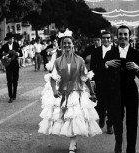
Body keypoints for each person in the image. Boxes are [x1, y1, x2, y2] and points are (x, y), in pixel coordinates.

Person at [38, 36, 102, 152]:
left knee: (74, 118)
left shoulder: (80, 60)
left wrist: (92, 92)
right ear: (62, 45)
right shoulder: (58, 61)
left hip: (76, 92)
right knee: (65, 118)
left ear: (73, 45)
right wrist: (54, 91)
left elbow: (85, 77)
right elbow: (52, 78)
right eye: (64, 43)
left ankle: (72, 145)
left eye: (69, 43)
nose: (67, 45)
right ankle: (73, 142)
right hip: (62, 92)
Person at [104, 25, 139, 153]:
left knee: (132, 122)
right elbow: (102, 74)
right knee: (117, 120)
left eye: (125, 34)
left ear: (129, 37)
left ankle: (131, 149)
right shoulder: (110, 53)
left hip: (131, 91)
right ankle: (118, 143)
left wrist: (138, 67)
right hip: (115, 91)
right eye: (120, 34)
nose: (123, 36)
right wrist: (106, 64)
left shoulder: (136, 54)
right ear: (117, 36)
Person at [90, 31, 114, 135]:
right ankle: (102, 117)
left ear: (111, 39)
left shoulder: (116, 51)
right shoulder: (96, 51)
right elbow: (92, 67)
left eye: (108, 38)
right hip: (100, 82)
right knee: (100, 104)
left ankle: (110, 125)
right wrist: (104, 65)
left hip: (113, 82)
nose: (106, 40)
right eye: (104, 38)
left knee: (112, 105)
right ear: (101, 39)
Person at [0, 32, 23, 103]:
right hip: (8, 65)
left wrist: (18, 53)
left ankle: (14, 94)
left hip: (15, 64)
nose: (11, 40)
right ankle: (10, 96)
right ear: (7, 39)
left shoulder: (16, 45)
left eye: (12, 38)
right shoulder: (4, 46)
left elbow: (21, 53)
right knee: (9, 80)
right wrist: (4, 56)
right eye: (10, 39)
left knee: (15, 80)